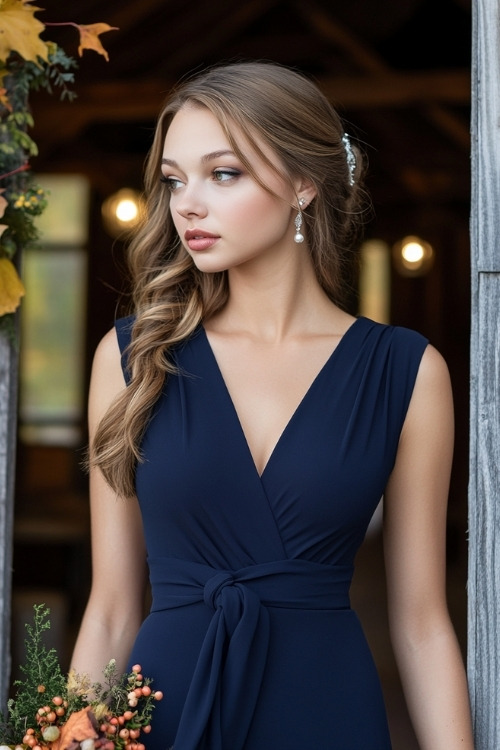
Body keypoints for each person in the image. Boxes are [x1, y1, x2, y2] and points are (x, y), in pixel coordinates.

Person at [71, 61, 474, 750]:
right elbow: (111, 608)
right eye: (174, 179)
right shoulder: (133, 358)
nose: (187, 204)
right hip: (163, 712)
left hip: (328, 712)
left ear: (302, 184)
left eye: (222, 173)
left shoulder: (406, 373)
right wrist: (66, 733)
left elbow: (422, 623)